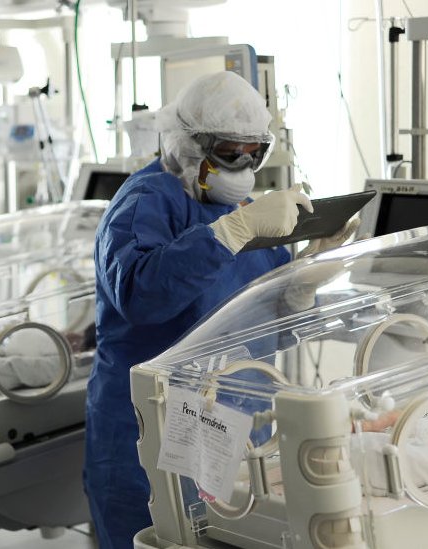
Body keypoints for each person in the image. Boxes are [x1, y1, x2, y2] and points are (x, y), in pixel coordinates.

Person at [83, 71, 357, 548]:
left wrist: (302, 282)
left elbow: (258, 328)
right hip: (150, 430)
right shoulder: (145, 203)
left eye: (255, 154)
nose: (244, 166)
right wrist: (229, 233)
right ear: (190, 145)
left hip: (234, 428)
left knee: (230, 535)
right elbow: (142, 297)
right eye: (231, 153)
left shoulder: (247, 214)